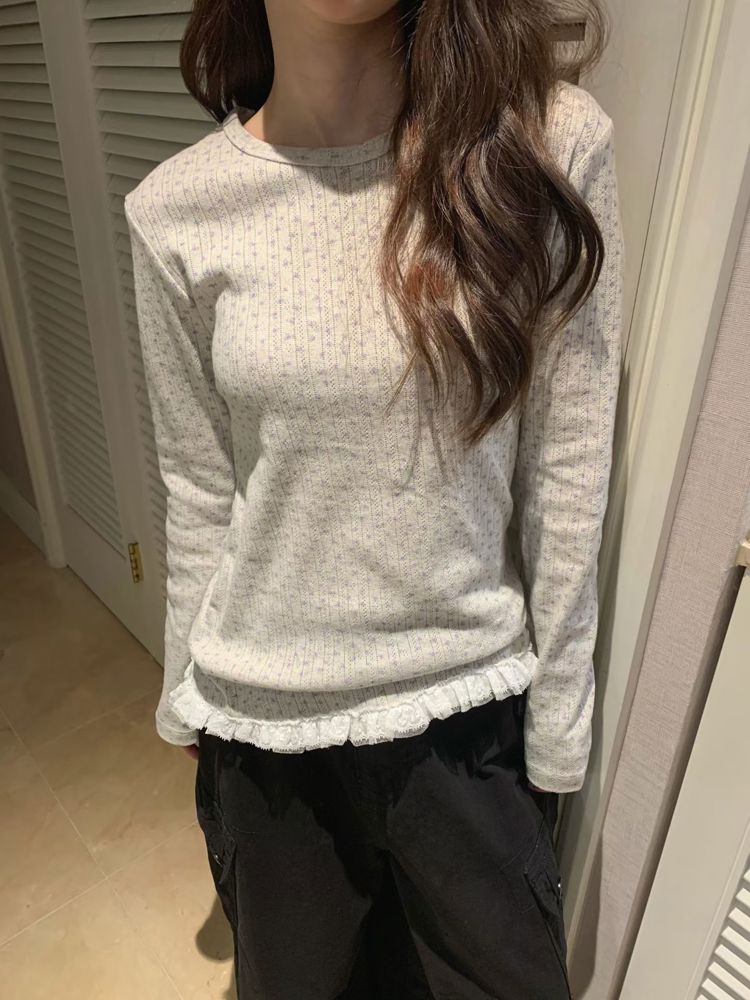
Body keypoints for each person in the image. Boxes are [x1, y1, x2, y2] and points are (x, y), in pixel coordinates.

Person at [124, 1, 623, 996]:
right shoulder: (174, 210)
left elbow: (567, 468)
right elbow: (199, 485)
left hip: (468, 727)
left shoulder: (547, 147)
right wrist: (187, 700)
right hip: (264, 744)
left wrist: (559, 731)